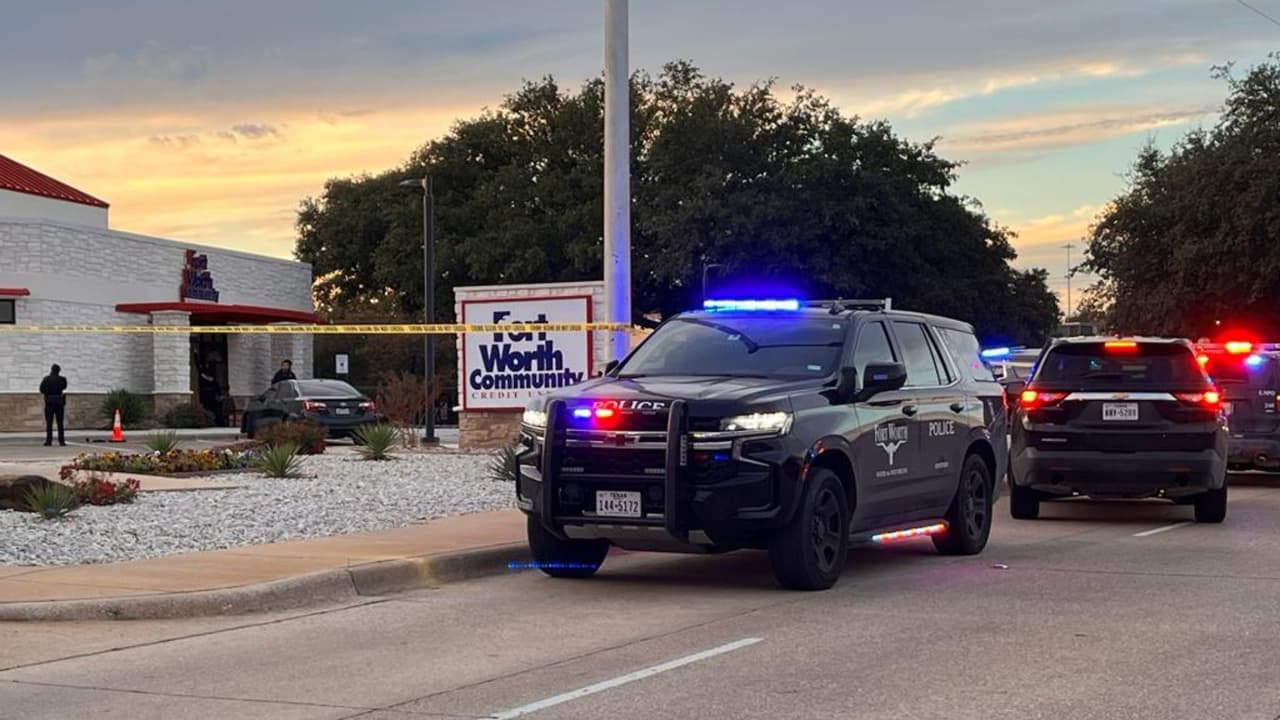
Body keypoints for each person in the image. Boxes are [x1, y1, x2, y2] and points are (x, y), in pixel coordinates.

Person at [39, 364, 68, 447]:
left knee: (49, 422)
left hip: (49, 402)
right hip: (59, 401)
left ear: (51, 370)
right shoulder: (62, 379)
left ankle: (49, 441)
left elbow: (41, 389)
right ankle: (61, 441)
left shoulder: (46, 379)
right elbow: (64, 387)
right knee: (60, 422)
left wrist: (47, 393)